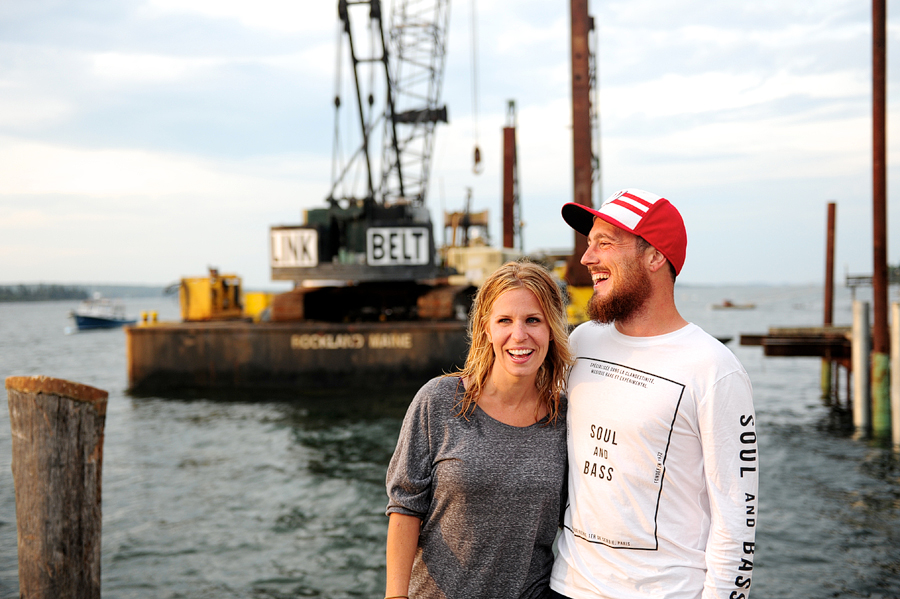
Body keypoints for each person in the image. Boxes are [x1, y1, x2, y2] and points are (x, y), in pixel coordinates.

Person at [550, 189, 759, 599]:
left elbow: (736, 517)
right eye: (588, 244)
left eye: (604, 243)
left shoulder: (714, 370)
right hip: (566, 586)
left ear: (655, 256)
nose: (587, 259)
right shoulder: (581, 343)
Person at [385, 260, 574, 599]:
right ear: (486, 328)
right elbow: (404, 507)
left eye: (533, 320)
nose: (519, 335)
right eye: (505, 321)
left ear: (551, 328)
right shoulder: (438, 401)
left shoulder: (567, 419)